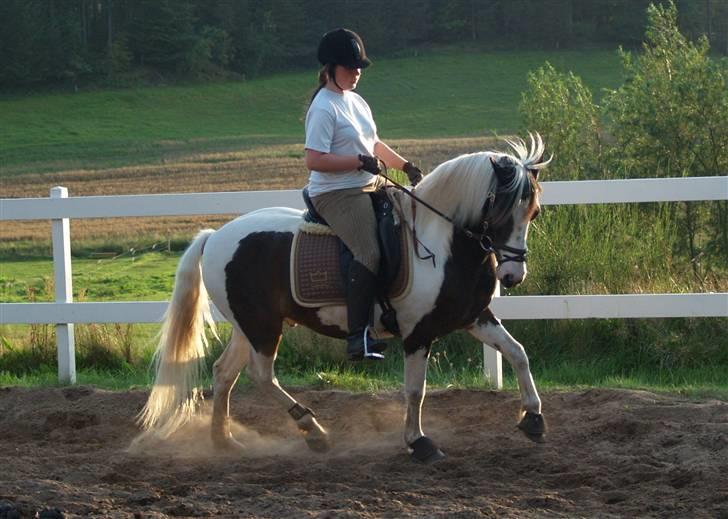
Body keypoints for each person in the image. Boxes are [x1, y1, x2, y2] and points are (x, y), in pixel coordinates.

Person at [304, 28, 423, 361]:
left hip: (370, 184)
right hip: (336, 193)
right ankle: (358, 336)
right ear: (331, 68)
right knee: (368, 252)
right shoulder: (324, 107)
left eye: (359, 67)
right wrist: (357, 162)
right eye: (350, 66)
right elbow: (314, 160)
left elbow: (374, 145)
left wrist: (405, 166)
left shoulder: (355, 101)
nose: (357, 72)